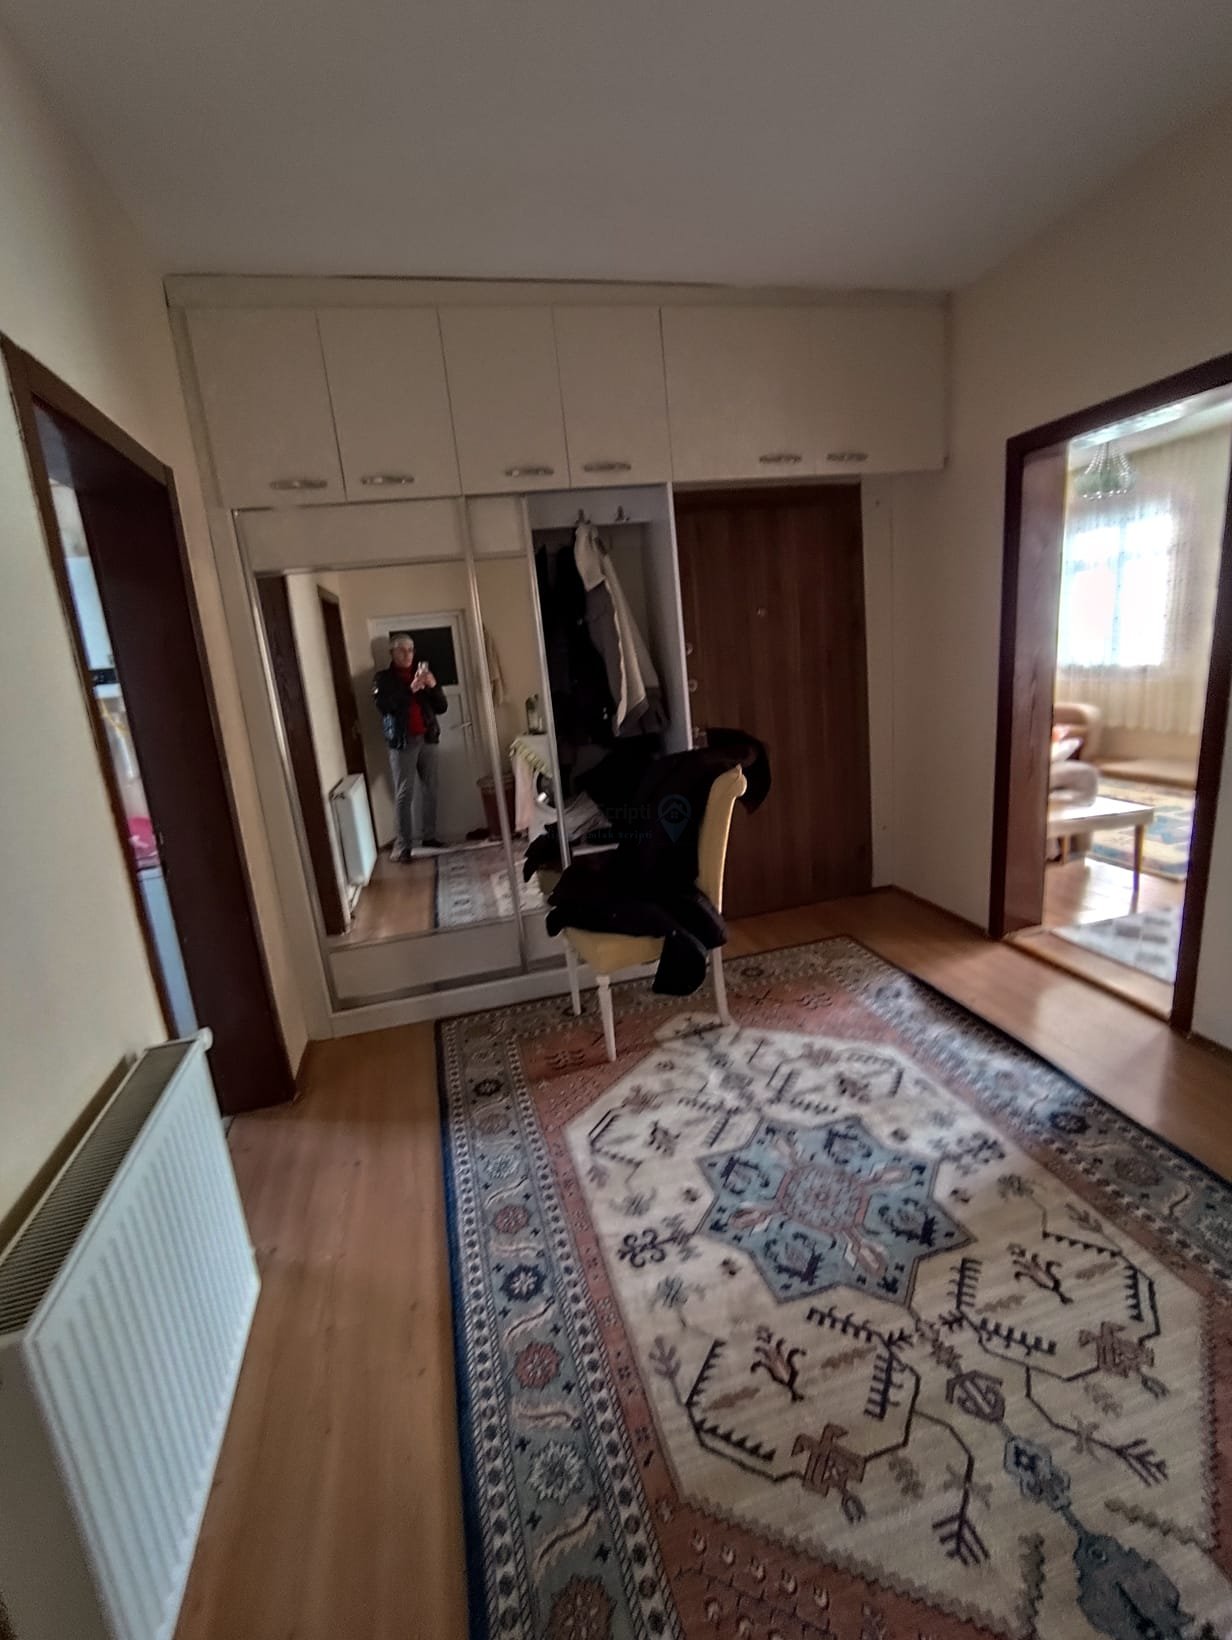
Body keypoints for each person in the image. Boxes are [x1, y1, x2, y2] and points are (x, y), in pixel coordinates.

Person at [373, 633, 448, 860]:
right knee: (405, 793)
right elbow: (384, 706)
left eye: (411, 650)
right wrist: (410, 689)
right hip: (402, 742)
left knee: (431, 788)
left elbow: (442, 707)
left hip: (428, 737)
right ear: (392, 653)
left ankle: (429, 836)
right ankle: (403, 846)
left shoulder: (422, 674)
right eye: (402, 650)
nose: (407, 654)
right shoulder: (383, 678)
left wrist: (433, 686)